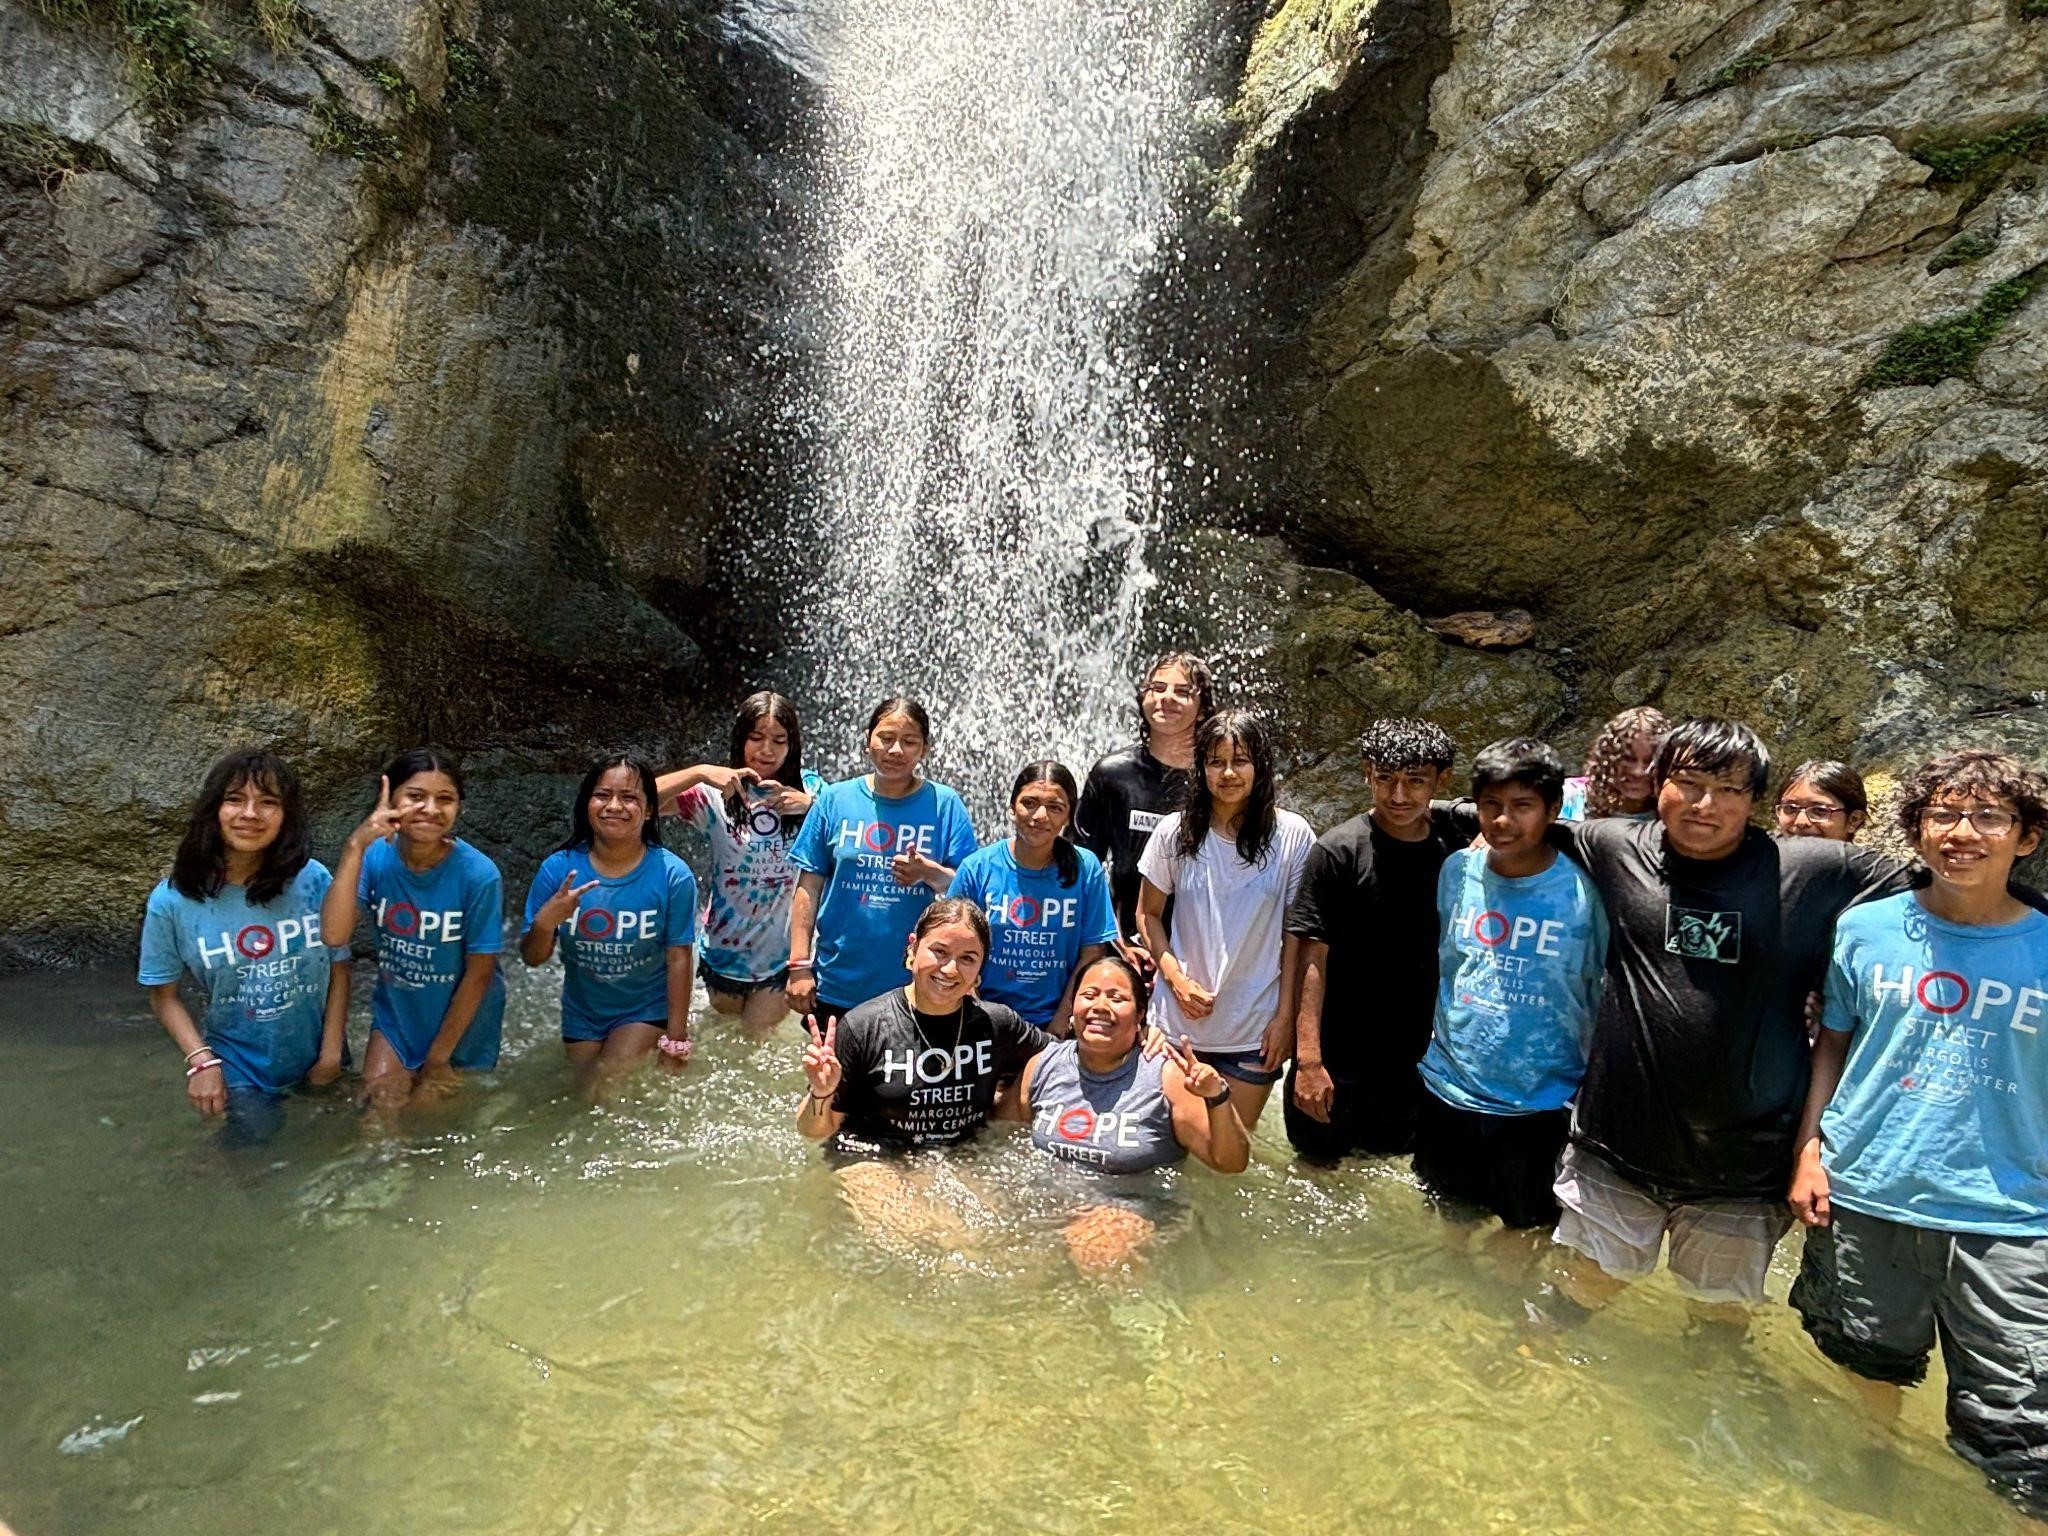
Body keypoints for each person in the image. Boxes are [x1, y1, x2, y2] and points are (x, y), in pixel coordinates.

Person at [1546, 718, 1909, 1308]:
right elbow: (1511, 818)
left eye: (1730, 790)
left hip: (1745, 1169)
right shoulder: (1614, 846)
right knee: (1574, 1299)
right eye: (1687, 782)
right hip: (1615, 1148)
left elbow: (1949, 890)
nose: (1704, 805)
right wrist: (1483, 831)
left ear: (1756, 802)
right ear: (1658, 783)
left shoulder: (1813, 869)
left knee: (1717, 1330)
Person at [1788, 749, 2048, 1518]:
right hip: (1871, 1190)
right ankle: (1869, 1489)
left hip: (2012, 1215)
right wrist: (1810, 1152)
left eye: (1988, 817)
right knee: (1869, 1361)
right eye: (1943, 814)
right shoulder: (1865, 929)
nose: (1962, 833)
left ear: (2025, 837)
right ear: (1917, 828)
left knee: (2020, 1425)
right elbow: (1833, 1042)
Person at [1414, 740, 1607, 1229]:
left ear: (1553, 809)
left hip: (1539, 1101)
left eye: (1522, 807)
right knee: (1448, 1215)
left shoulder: (1587, 894)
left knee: (1527, 1231)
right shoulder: (1457, 871)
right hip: (1448, 1088)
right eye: (1491, 806)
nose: (1502, 821)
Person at [796, 899, 1048, 1245]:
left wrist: (1144, 1043)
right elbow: (813, 1131)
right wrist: (821, 1091)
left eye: (967, 959)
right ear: (912, 949)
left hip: (956, 1155)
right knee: (919, 1239)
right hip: (871, 1155)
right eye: (939, 951)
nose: (950, 970)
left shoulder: (996, 1024)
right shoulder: (864, 1026)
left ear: (980, 970)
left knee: (987, 1241)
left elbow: (1062, 1058)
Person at [138, 750, 351, 1144]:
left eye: (268, 802)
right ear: (213, 811)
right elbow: (163, 996)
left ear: (287, 815)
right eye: (234, 799)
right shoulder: (173, 901)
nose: (250, 814)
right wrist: (200, 1063)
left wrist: (332, 1054)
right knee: (253, 1159)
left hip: (319, 1050)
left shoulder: (313, 879)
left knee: (338, 1146)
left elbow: (339, 965)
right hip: (239, 1064)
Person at [1284, 717, 1469, 1161]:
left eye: (1415, 781)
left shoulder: (1455, 842)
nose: (1398, 795)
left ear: (1440, 780)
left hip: (1413, 1062)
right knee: (1318, 1178)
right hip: (1337, 1059)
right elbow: (1312, 955)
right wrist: (1308, 1062)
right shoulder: (1338, 851)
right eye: (1385, 779)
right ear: (1367, 773)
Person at [1013, 953, 1251, 1272]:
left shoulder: (1166, 1076)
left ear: (1140, 1014)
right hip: (1052, 1206)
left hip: (1130, 1214)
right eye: (1089, 995)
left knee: (1100, 1252)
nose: (1100, 1006)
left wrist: (1217, 1096)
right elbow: (1001, 1138)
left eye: (1116, 997)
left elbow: (1230, 1162)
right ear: (1073, 1008)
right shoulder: (1044, 1065)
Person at [1136, 708, 1315, 1128]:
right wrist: (1175, 981)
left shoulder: (1292, 835)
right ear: (1201, 768)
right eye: (1216, 762)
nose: (1228, 773)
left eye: (1240, 761)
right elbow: (1147, 914)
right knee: (1170, 1152)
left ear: (1260, 766)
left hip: (1254, 1028)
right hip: (1175, 1027)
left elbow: (1297, 934)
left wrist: (1285, 1018)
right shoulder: (1174, 832)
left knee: (1230, 1159)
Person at [321, 749, 507, 1112]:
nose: (431, 809)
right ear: (390, 800)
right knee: (375, 1115)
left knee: (432, 1125)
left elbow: (480, 973)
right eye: (416, 797)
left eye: (445, 799)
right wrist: (355, 846)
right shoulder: (376, 856)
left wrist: (438, 1057)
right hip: (398, 1015)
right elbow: (334, 935)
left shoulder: (479, 875)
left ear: (460, 809)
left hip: (464, 1024)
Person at [785, 697, 977, 1034]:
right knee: (830, 1081)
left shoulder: (945, 805)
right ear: (867, 740)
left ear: (925, 750)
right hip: (838, 979)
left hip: (916, 983)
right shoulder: (835, 800)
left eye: (909, 741)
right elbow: (808, 886)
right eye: (886, 738)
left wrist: (928, 873)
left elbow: (967, 894)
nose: (895, 750)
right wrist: (799, 965)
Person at [521, 754, 697, 1092]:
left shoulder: (673, 875)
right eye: (602, 795)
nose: (614, 805)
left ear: (648, 810)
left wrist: (677, 1038)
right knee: (580, 1094)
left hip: (646, 1008)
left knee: (606, 1085)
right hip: (582, 1013)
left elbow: (679, 957)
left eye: (629, 797)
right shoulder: (558, 870)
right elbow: (532, 957)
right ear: (587, 803)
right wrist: (545, 923)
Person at [658, 692, 823, 1035]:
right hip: (723, 951)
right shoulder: (714, 795)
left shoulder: (812, 790)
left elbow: (848, 829)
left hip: (780, 957)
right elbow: (642, 802)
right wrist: (700, 772)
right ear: (740, 739)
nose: (767, 750)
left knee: (754, 1041)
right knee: (725, 1042)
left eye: (779, 740)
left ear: (792, 744)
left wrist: (810, 806)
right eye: (756, 738)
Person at [948, 761, 1118, 1035]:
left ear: (1068, 816)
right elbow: (951, 945)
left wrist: (1059, 1024)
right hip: (981, 1017)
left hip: (1058, 1021)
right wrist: (979, 1015)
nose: (1040, 816)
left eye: (1055, 807)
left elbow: (1092, 953)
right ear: (1012, 808)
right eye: (1029, 803)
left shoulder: (1086, 868)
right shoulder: (976, 868)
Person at [1075, 651, 1215, 942]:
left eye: (1182, 691)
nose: (1167, 698)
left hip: (1202, 948)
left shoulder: (1216, 779)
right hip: (1125, 943)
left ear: (1202, 708)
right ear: (1143, 698)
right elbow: (1080, 868)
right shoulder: (1112, 774)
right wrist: (1112, 940)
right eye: (1158, 688)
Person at [1558, 706, 1668, 822]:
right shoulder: (1566, 797)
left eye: (1650, 761)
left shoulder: (1672, 821)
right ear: (1607, 757)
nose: (1638, 772)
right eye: (1628, 758)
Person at [1773, 758, 1868, 843]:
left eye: (1819, 810)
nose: (1801, 822)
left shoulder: (1871, 862)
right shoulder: (1764, 861)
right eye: (1790, 808)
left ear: (1854, 820)